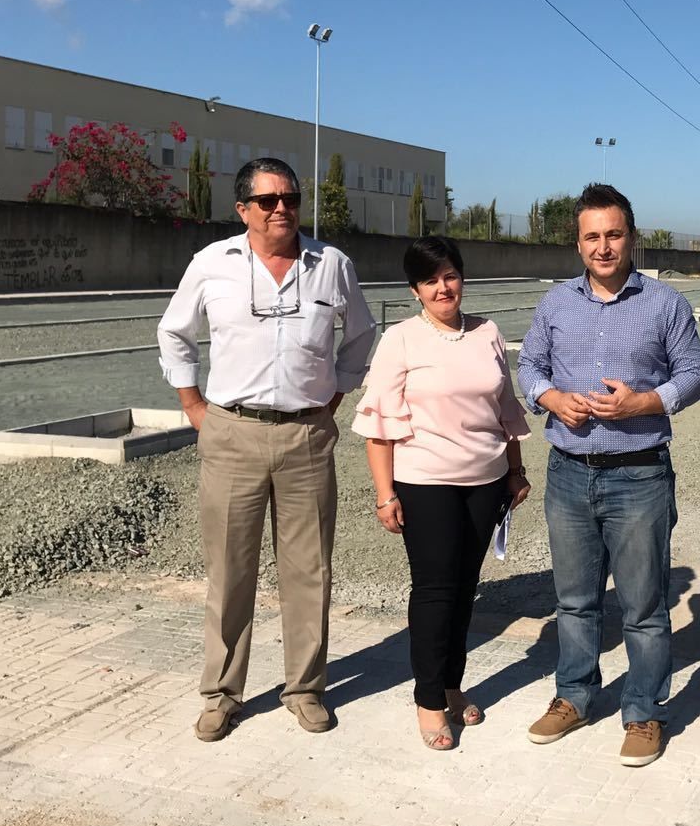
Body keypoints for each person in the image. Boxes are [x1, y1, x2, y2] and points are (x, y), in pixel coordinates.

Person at [157, 157, 376, 742]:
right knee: (229, 572)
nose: (283, 207)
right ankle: (222, 693)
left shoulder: (331, 266)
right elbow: (174, 333)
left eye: (291, 197)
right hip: (232, 433)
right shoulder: (212, 265)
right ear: (243, 209)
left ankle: (305, 688)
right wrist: (194, 408)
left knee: (310, 571)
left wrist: (333, 399)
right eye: (269, 199)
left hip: (307, 436)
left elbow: (361, 336)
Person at [517, 183, 700, 767]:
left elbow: (695, 373)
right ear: (578, 244)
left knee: (643, 607)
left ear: (632, 237)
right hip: (569, 474)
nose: (604, 247)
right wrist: (549, 397)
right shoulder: (555, 304)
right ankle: (574, 696)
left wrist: (644, 403)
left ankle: (644, 710)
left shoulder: (664, 303)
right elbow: (529, 365)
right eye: (592, 236)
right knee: (574, 601)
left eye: (614, 234)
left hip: (639, 476)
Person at [353, 236, 533, 751]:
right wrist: (385, 493)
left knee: (463, 590)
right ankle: (429, 701)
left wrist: (515, 470)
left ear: (462, 278)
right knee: (434, 593)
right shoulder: (401, 340)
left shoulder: (488, 333)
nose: (443, 287)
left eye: (450, 275)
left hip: (485, 482)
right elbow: (379, 424)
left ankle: (453, 685)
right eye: (430, 280)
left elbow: (505, 408)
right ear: (415, 290)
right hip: (425, 482)